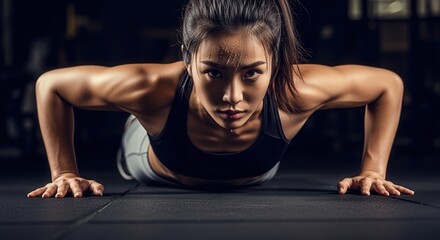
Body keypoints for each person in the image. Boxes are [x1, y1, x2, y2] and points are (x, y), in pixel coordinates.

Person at [27, 0, 414, 198]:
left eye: (252, 74)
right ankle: (141, 121)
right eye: (213, 72)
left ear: (275, 62)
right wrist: (64, 173)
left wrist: (372, 170)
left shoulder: (297, 90)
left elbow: (387, 85)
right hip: (152, 156)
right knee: (147, 117)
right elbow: (52, 86)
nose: (232, 97)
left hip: (256, 168)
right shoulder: (150, 87)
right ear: (187, 60)